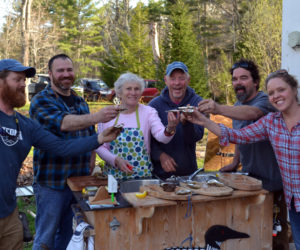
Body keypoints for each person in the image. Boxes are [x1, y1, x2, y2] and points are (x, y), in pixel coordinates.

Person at [0, 59, 120, 250]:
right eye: (18, 79)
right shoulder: (42, 101)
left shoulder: (24, 124)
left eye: (24, 80)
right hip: (51, 184)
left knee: (68, 236)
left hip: (10, 210)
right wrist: (98, 117)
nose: (24, 84)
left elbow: (61, 147)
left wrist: (99, 139)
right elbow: (63, 123)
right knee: (45, 238)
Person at [188, 69, 300, 250]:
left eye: (281, 90)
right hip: (294, 203)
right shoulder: (271, 121)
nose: (276, 96)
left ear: (294, 90)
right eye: (271, 93)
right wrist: (204, 121)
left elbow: (251, 114)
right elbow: (238, 136)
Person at [96, 72, 179, 180]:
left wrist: (170, 128)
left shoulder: (149, 112)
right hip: (114, 178)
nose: (133, 92)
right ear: (119, 92)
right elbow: (99, 146)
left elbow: (161, 137)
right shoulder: (107, 114)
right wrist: (115, 160)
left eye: (137, 89)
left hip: (142, 179)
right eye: (129, 89)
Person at [149, 61, 204, 179]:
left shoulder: (197, 103)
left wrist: (186, 124)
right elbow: (147, 139)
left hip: (187, 173)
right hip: (159, 174)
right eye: (172, 79)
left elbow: (197, 137)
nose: (177, 83)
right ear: (166, 81)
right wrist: (160, 155)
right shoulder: (154, 105)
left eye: (181, 78)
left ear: (188, 80)